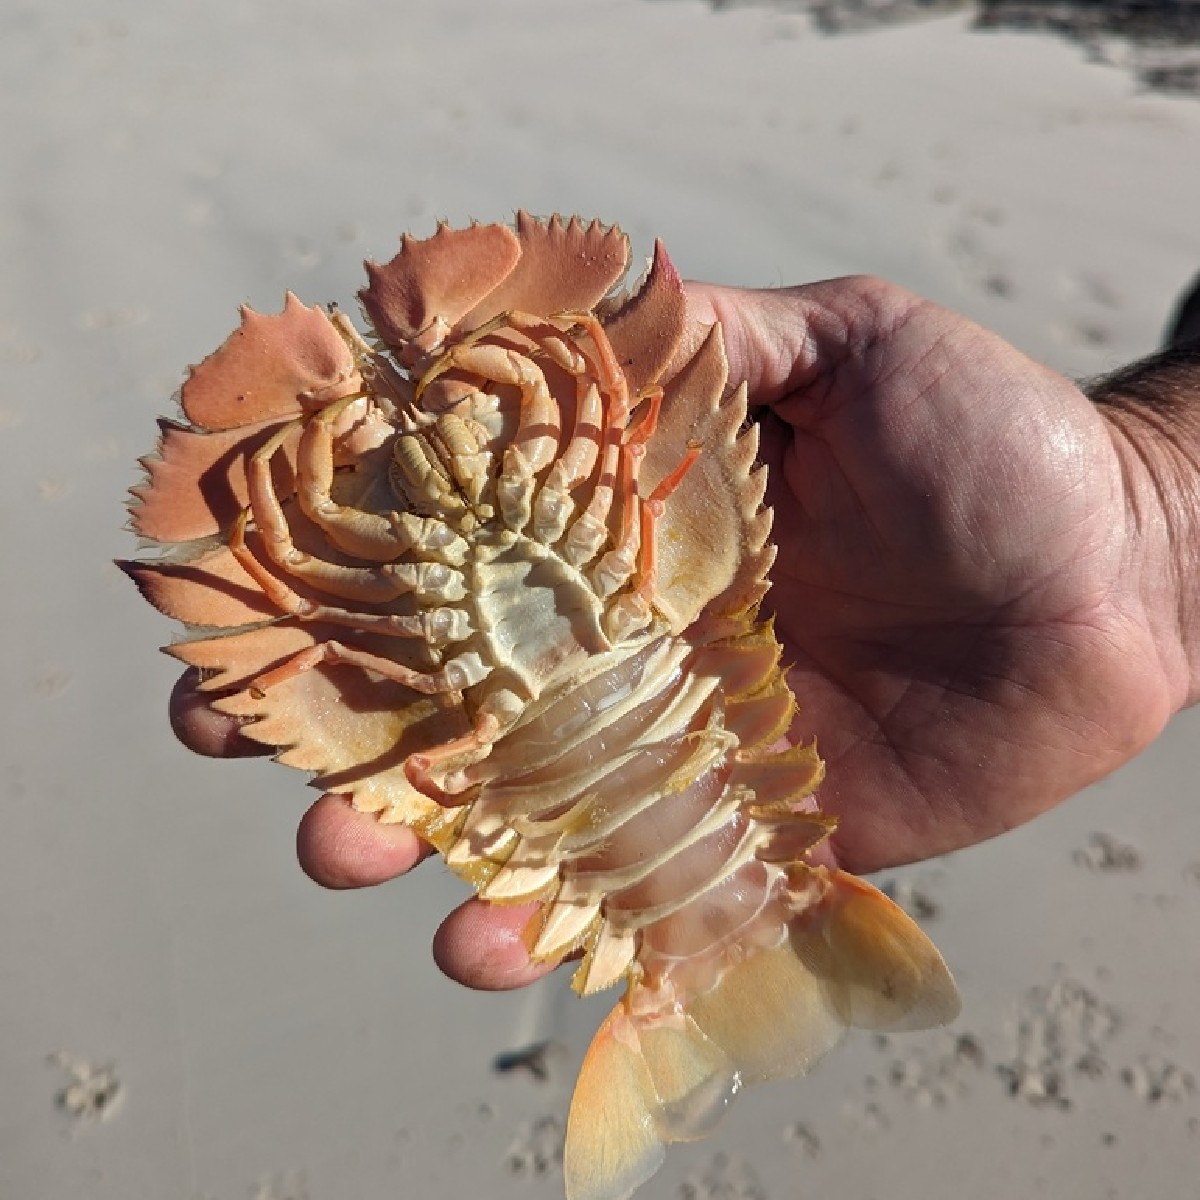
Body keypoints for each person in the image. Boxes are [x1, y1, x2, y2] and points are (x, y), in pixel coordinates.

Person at [169, 274, 1200, 991]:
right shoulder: (545, 433)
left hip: (669, 729)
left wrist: (1156, 523)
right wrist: (1151, 530)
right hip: (587, 762)